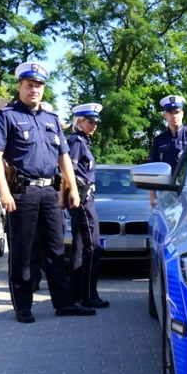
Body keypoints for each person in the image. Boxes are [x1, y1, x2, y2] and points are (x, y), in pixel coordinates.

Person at [0, 62, 94, 323]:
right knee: (21, 252)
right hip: (22, 192)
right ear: (20, 86)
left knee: (56, 251)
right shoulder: (7, 115)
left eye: (39, 86)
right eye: (29, 85)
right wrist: (4, 192)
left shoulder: (51, 119)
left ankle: (64, 302)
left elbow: (64, 158)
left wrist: (72, 189)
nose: (34, 90)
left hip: (50, 192)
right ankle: (23, 306)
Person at [66, 103, 110, 309]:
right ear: (79, 122)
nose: (94, 126)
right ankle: (88, 295)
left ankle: (76, 293)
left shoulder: (82, 141)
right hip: (81, 197)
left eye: (95, 122)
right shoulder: (76, 142)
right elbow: (69, 172)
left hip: (80, 197)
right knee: (92, 245)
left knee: (80, 245)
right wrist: (73, 194)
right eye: (90, 122)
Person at [148, 94, 187, 207]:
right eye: (171, 113)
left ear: (182, 114)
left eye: (177, 112)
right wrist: (152, 195)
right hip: (165, 193)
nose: (174, 116)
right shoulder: (159, 140)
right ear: (165, 115)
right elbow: (152, 168)